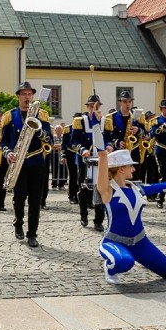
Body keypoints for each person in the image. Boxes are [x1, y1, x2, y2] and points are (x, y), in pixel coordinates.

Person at [97, 148, 166, 284]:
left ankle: (136, 257)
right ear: (121, 169)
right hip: (114, 242)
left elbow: (163, 186)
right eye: (131, 166)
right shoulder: (107, 190)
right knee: (125, 262)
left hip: (141, 243)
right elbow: (102, 164)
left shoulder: (137, 189)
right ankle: (110, 268)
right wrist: (102, 154)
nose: (134, 169)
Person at [1, 82, 53, 247]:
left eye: (30, 94)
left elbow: (49, 140)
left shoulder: (41, 115)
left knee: (35, 199)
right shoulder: (10, 116)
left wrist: (39, 131)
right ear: (18, 96)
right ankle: (18, 222)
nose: (27, 97)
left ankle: (32, 234)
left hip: (36, 161)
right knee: (19, 197)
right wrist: (7, 152)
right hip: (19, 162)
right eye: (24, 94)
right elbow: (4, 142)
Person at [71, 95, 105, 231]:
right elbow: (73, 142)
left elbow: (108, 138)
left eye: (96, 107)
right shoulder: (80, 121)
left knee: (100, 191)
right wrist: (83, 149)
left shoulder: (104, 121)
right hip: (84, 161)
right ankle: (83, 215)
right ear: (87, 107)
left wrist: (108, 146)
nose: (94, 109)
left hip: (100, 161)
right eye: (92, 107)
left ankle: (98, 220)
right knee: (83, 190)